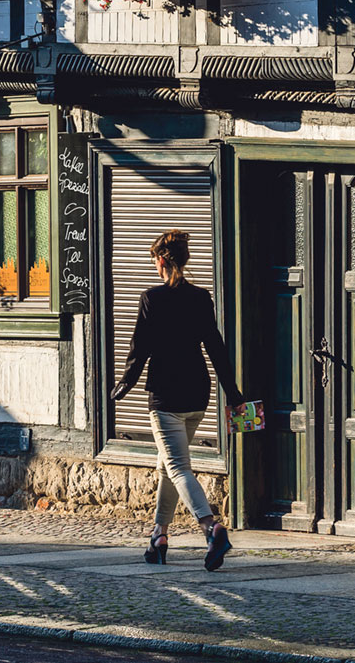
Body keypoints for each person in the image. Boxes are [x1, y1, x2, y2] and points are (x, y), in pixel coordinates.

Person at [109, 228, 244, 571]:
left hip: (166, 394)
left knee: (178, 467)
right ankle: (159, 535)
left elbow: (139, 349)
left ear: (162, 261)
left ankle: (211, 528)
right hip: (198, 392)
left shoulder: (152, 299)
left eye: (154, 260)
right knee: (167, 466)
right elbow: (216, 348)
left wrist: (125, 382)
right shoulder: (201, 298)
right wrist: (234, 393)